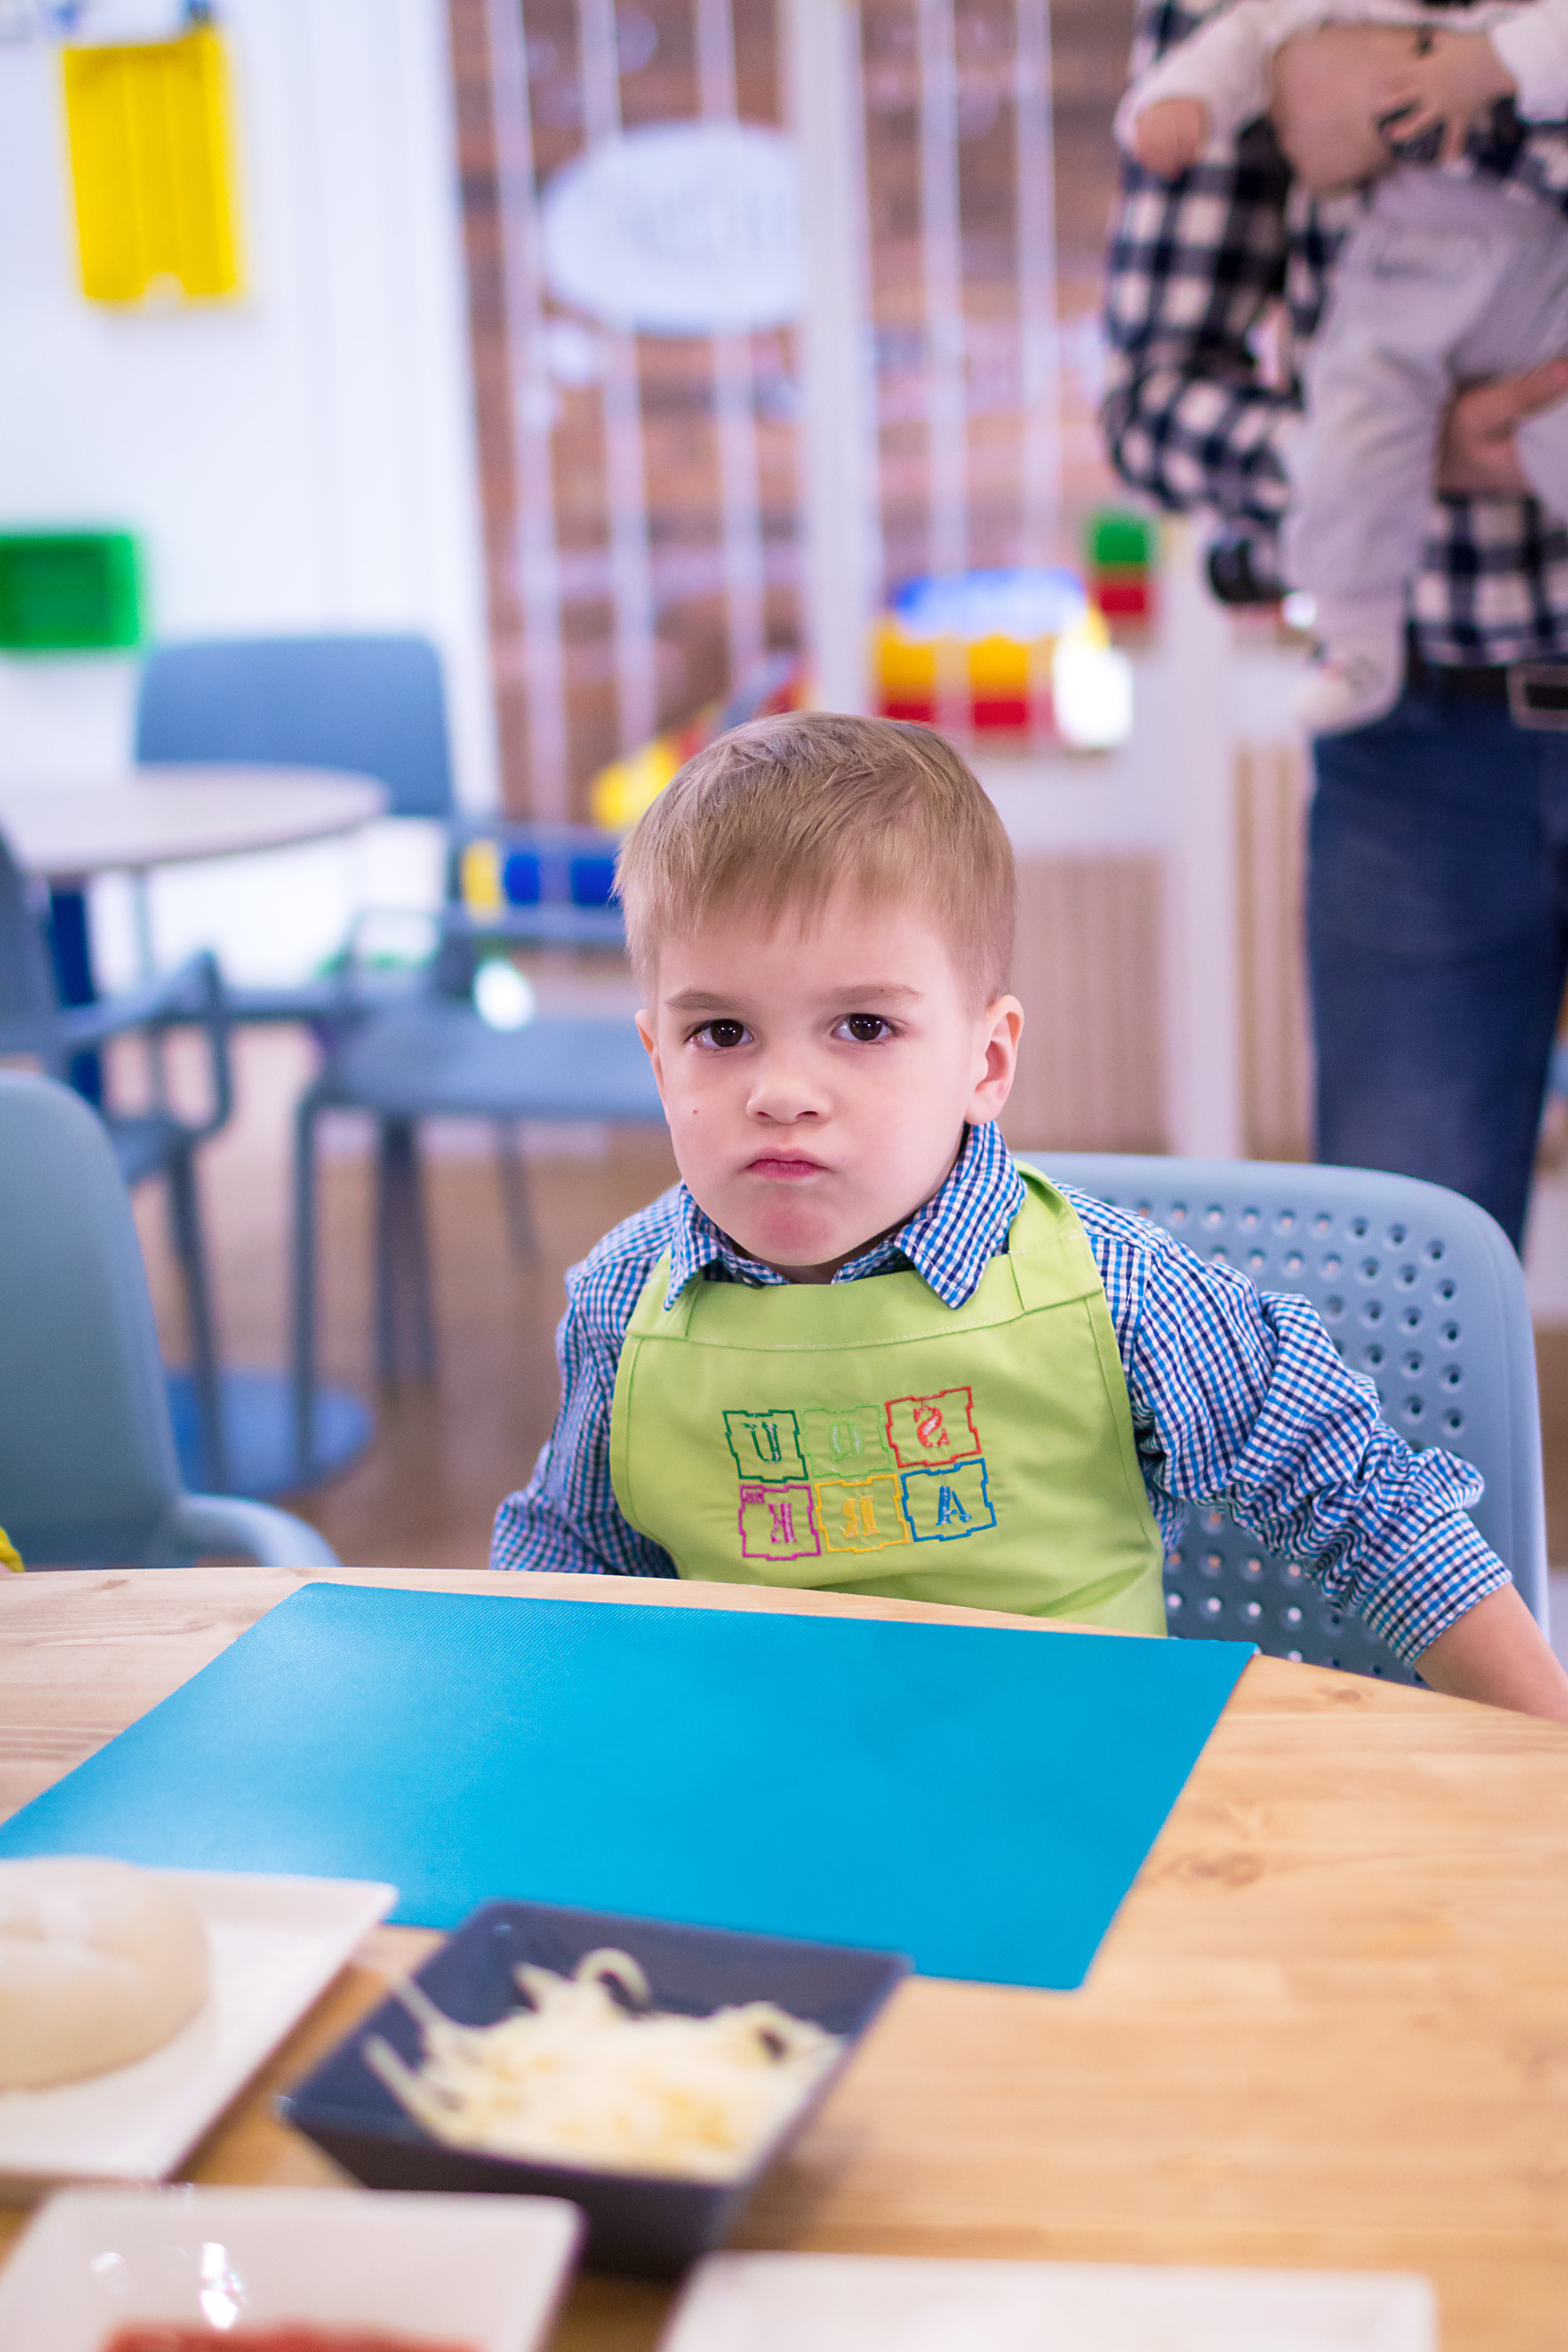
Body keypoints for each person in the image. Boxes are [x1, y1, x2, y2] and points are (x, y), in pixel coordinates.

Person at [493, 710, 1568, 1719]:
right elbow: (565, 1566)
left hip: (1082, 1813)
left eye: (862, 1026)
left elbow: (1364, 1505)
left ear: (986, 1059)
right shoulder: (617, 1304)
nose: (782, 1090)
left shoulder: (1126, 1293)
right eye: (722, 1033)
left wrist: (1543, 1749)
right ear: (656, 1056)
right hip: (770, 1815)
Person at [1105, 2, 1568, 1253]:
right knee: (1402, 1289)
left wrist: (1434, 101)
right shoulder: (1246, 14)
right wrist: (1389, 460)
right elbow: (1150, 403)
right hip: (1419, 747)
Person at [1117, 0, 1568, 732]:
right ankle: (1355, 637)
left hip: (1542, 281)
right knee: (1361, 409)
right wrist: (1182, 97)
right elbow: (1150, 403)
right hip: (1402, 276)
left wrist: (1462, 84)